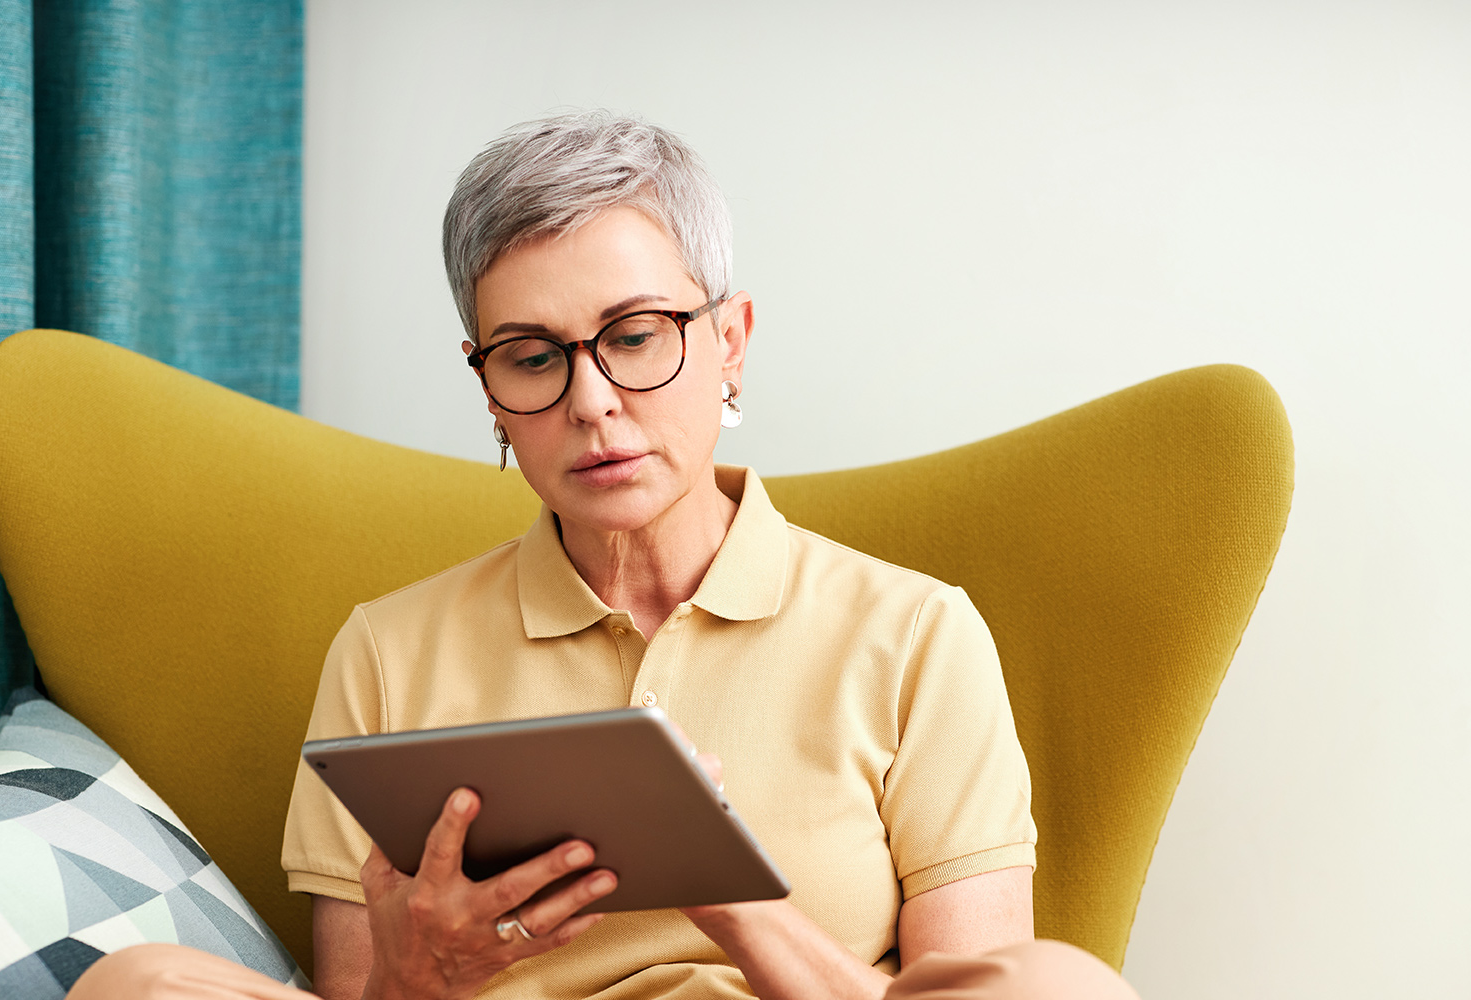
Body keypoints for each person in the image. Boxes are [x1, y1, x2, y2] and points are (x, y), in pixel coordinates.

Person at [66, 112, 1140, 1000]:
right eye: (532, 357)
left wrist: (730, 893)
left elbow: (969, 984)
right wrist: (420, 973)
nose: (590, 401)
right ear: (489, 389)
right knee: (137, 982)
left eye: (634, 336)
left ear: (729, 342)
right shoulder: (388, 649)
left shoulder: (913, 632)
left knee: (1057, 987)